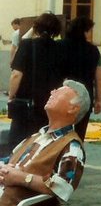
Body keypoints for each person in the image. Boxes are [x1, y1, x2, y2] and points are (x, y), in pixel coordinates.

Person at [0, 79, 89, 206]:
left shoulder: (72, 147)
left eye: (59, 92)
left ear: (73, 108)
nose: (52, 92)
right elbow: (8, 160)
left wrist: (20, 178)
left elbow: (62, 188)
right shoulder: (36, 136)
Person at [7, 12, 65, 148]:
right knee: (43, 145)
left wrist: (11, 95)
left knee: (18, 145)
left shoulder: (27, 45)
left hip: (27, 103)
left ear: (36, 27)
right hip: (50, 105)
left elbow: (16, 74)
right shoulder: (61, 48)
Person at [60, 16, 101, 139]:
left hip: (62, 95)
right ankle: (76, 155)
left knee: (59, 131)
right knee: (80, 133)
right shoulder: (93, 51)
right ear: (84, 31)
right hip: (85, 96)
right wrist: (98, 100)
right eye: (90, 30)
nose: (90, 34)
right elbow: (99, 78)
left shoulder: (59, 46)